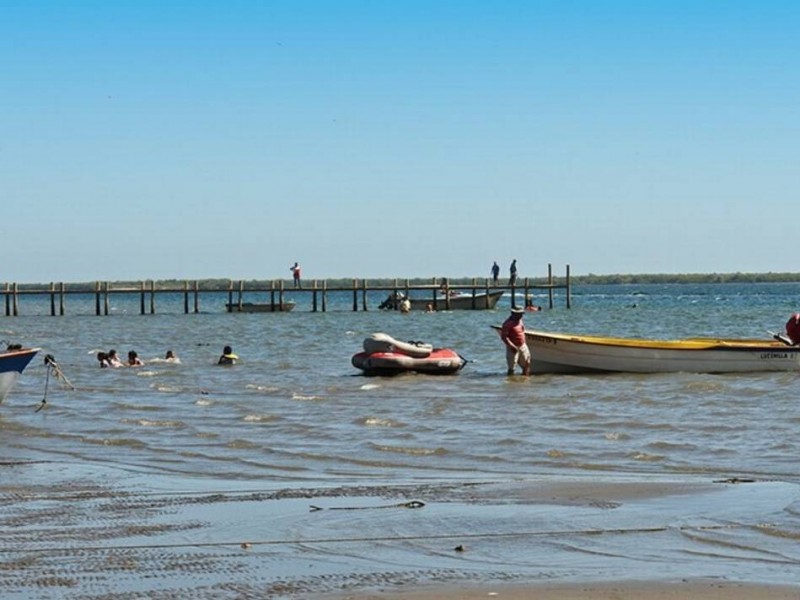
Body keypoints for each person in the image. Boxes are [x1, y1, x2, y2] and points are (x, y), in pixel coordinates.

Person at [500, 307, 530, 376]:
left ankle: (526, 380)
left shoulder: (520, 321)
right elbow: (504, 337)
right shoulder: (507, 324)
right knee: (512, 367)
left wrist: (524, 342)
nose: (521, 316)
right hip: (512, 347)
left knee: (527, 363)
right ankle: (510, 382)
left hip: (522, 345)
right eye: (519, 314)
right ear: (513, 314)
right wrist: (512, 346)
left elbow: (522, 331)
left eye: (521, 314)